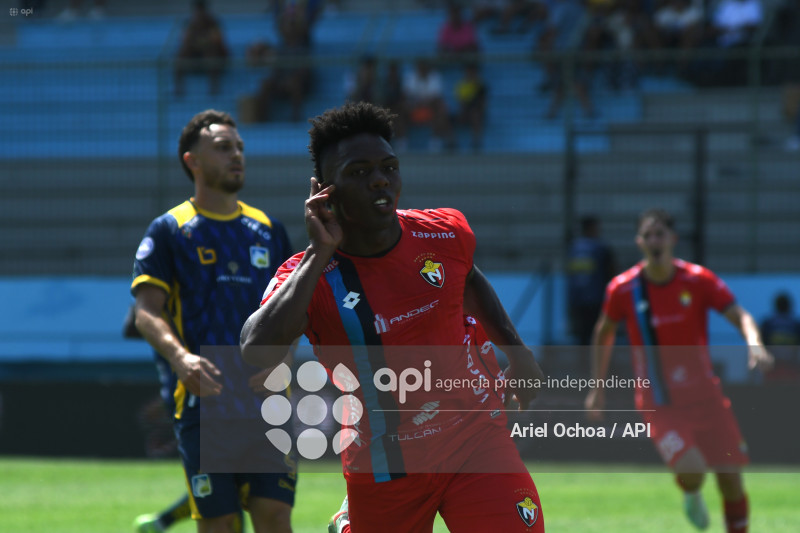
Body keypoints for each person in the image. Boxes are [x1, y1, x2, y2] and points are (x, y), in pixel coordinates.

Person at [241, 102, 546, 532]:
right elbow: (256, 351)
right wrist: (318, 252)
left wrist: (517, 352)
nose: (380, 179)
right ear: (325, 191)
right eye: (359, 172)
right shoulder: (308, 275)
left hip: (474, 436)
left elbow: (469, 280)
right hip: (385, 459)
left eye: (388, 166)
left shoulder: (443, 232)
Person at [131, 109, 296, 533]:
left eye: (239, 148)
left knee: (275, 516)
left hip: (267, 401)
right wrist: (181, 359)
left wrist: (283, 358)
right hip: (206, 403)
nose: (236, 155)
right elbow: (146, 312)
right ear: (193, 161)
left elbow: (293, 310)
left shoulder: (269, 230)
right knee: (221, 523)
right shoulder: (170, 230)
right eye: (223, 148)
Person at [584, 208, 774, 533]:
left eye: (660, 234)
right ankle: (691, 493)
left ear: (673, 239)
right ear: (639, 242)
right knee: (694, 470)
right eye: (648, 235)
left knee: (731, 480)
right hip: (661, 405)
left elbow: (739, 314)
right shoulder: (624, 288)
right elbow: (604, 332)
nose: (654, 240)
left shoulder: (698, 280)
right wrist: (596, 388)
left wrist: (755, 345)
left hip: (706, 398)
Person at [566, 215, 616, 352]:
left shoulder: (573, 248)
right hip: (596, 298)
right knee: (597, 334)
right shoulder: (601, 248)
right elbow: (611, 272)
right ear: (592, 228)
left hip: (577, 299)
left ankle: (582, 365)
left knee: (581, 336)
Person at [174, 0, 229, 97]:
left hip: (212, 54)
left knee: (212, 52)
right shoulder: (189, 23)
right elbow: (185, 40)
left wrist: (201, 42)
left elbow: (217, 40)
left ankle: (214, 87)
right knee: (182, 53)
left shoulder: (213, 23)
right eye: (197, 11)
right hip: (195, 54)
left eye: (201, 11)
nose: (199, 14)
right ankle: (179, 89)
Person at [759, 292, 800, 382]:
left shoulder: (767, 324)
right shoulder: (796, 325)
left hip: (772, 370)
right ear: (789, 306)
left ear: (776, 306)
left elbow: (758, 345)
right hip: (792, 369)